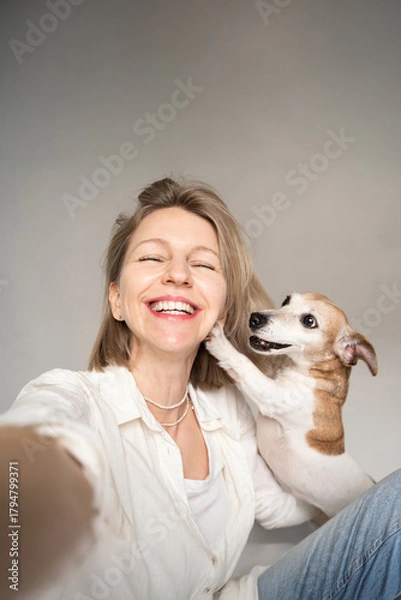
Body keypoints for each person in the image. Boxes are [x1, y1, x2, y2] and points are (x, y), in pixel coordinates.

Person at [0, 177, 400, 600]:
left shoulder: (227, 411)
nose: (177, 275)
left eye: (204, 264)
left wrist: (363, 502)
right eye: (153, 257)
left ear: (222, 307)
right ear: (117, 300)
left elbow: (283, 505)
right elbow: (38, 443)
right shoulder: (73, 397)